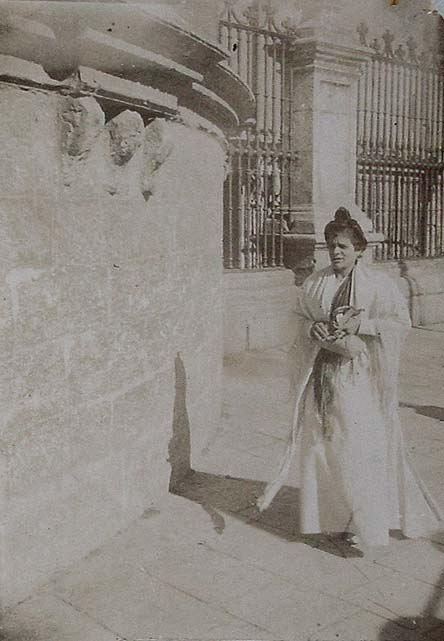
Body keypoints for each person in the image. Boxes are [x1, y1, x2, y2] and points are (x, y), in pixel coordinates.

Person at [257, 207, 442, 547]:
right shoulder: (316, 283)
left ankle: (365, 523)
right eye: (331, 246)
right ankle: (332, 517)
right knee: (323, 448)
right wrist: (309, 327)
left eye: (343, 245)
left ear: (359, 249)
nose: (337, 252)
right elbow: (294, 317)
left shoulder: (377, 285)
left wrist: (364, 325)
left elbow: (400, 324)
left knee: (359, 445)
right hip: (324, 376)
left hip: (360, 376)